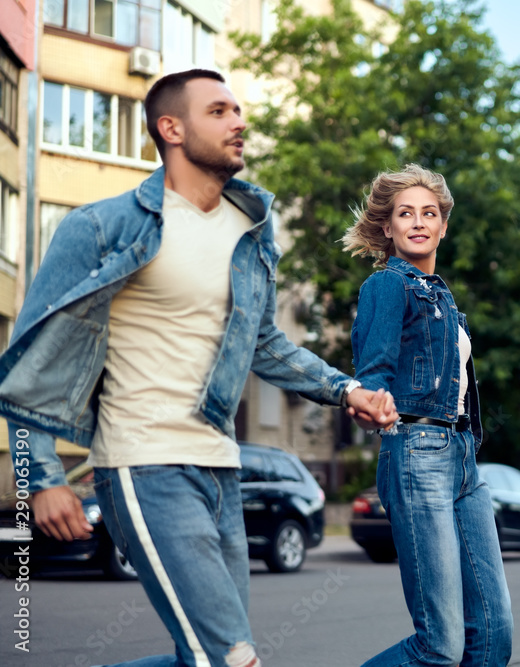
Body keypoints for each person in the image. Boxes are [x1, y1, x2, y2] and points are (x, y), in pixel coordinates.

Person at [0, 69, 397, 667]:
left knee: (207, 658)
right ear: (172, 128)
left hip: (220, 468)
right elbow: (36, 358)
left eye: (238, 109)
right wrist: (41, 476)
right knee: (231, 658)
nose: (239, 122)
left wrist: (347, 391)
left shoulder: (251, 233)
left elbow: (264, 343)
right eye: (219, 111)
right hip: (141, 462)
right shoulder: (103, 228)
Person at [343, 164, 514, 666]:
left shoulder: (443, 297)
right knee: (440, 646)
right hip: (417, 453)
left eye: (429, 213)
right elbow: (373, 369)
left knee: (492, 636)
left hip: (463, 461)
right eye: (405, 213)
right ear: (388, 227)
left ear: (443, 226)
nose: (418, 221)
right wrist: (371, 403)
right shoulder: (387, 286)